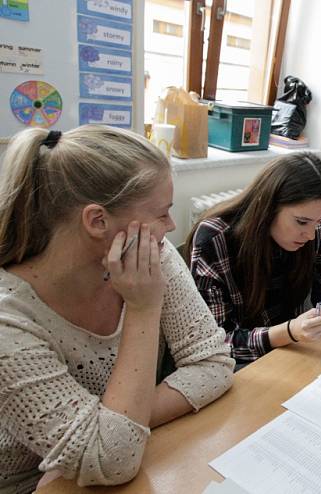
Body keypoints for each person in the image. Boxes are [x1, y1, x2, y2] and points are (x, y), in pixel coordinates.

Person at [0, 126, 234, 491]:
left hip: (109, 462)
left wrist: (113, 427)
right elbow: (112, 459)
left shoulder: (149, 253)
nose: (171, 227)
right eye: (162, 213)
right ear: (97, 221)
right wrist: (143, 308)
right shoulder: (9, 318)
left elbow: (214, 362)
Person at [187, 153, 321, 369]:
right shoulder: (215, 239)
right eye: (302, 222)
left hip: (289, 350)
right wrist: (288, 331)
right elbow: (218, 342)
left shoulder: (313, 229)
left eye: (318, 221)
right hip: (239, 364)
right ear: (268, 207)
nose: (310, 234)